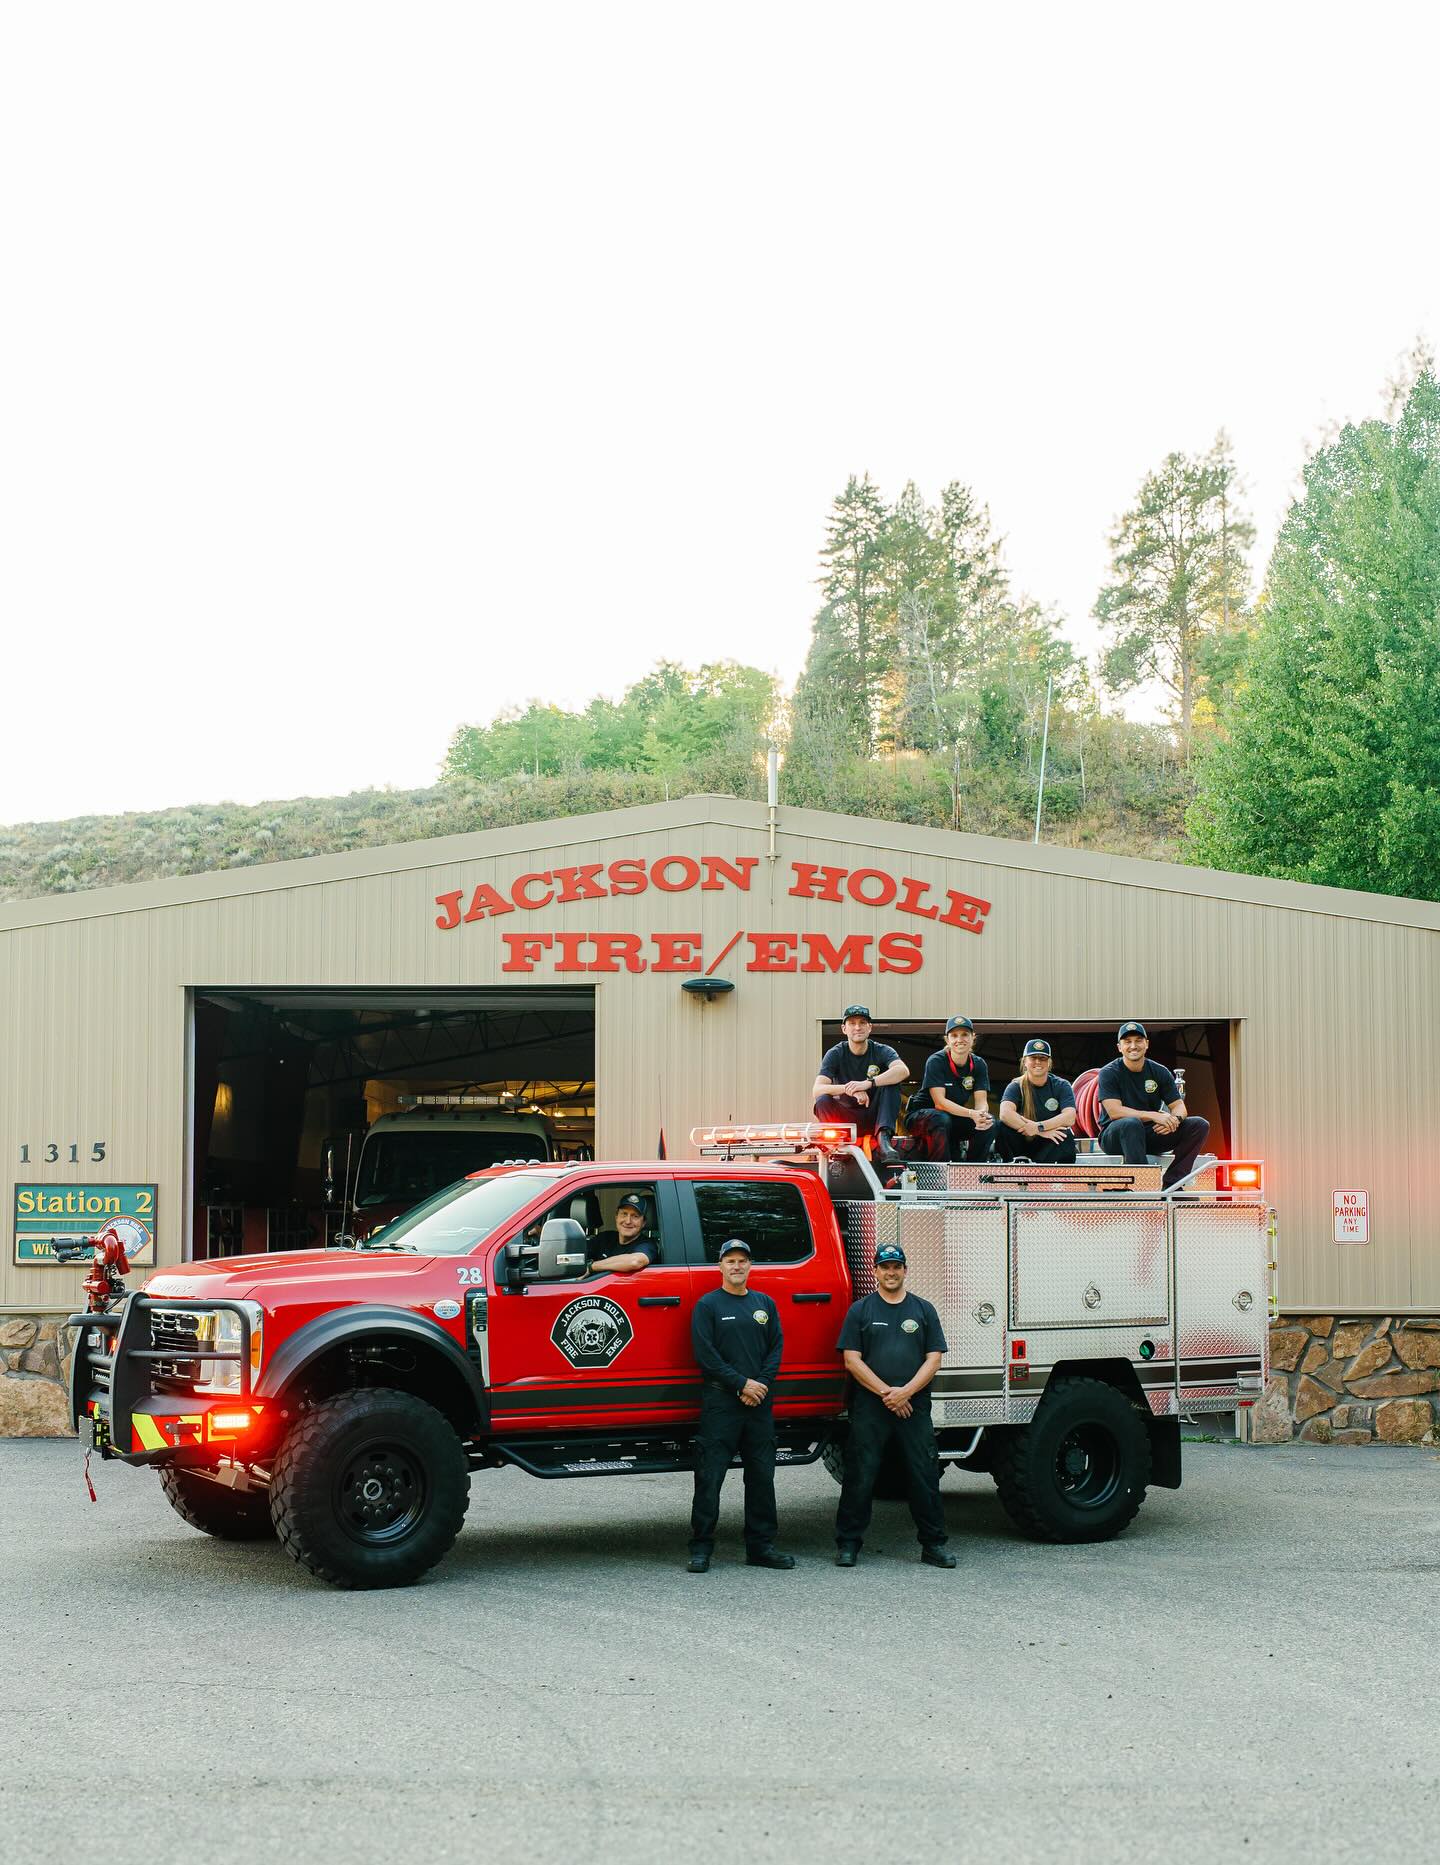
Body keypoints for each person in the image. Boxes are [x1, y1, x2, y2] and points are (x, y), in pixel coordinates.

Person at [834, 1243, 955, 1569]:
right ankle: (848, 1544)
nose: (891, 1272)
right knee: (860, 1475)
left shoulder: (923, 1310)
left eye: (896, 1266)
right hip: (872, 1407)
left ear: (904, 1270)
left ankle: (934, 1545)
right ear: (875, 1271)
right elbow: (851, 1360)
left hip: (913, 1406)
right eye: (885, 1267)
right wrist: (889, 1393)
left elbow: (934, 1359)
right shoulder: (861, 1310)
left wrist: (907, 1393)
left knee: (924, 1475)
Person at [687, 1239, 794, 1572]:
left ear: (750, 1266)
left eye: (742, 1261)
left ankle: (761, 1547)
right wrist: (742, 1384)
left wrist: (758, 1385)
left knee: (761, 1477)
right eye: (730, 1260)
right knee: (710, 1476)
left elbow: (776, 1347)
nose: (736, 1266)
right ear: (720, 1266)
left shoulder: (764, 1304)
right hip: (722, 1402)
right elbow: (706, 1356)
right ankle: (701, 1548)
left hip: (759, 1403)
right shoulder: (708, 1305)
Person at [1097, 1021, 1211, 1190]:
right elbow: (1115, 1111)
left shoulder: (1159, 1071)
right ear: (1119, 1047)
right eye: (1127, 1042)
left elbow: (1179, 1106)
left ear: (1147, 1044)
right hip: (1116, 1136)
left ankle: (1173, 1183)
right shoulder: (1109, 1072)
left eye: (1138, 1040)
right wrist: (1155, 1115)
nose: (1133, 1046)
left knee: (1199, 1124)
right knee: (1131, 1123)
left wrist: (1175, 1120)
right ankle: (1143, 1187)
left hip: (1149, 1134)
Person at [812, 1005, 910, 1160]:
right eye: (852, 1023)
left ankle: (884, 1141)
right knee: (822, 1100)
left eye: (862, 1022)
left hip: (876, 1117)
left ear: (869, 1027)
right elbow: (817, 1090)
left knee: (892, 1083)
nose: (857, 1027)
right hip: (846, 1121)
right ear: (844, 1028)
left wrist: (868, 1083)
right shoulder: (835, 1053)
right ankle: (838, 1146)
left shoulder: (882, 1050)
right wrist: (850, 1088)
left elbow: (903, 1071)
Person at [905, 1015, 995, 1161]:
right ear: (947, 1040)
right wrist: (972, 1113)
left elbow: (981, 1101)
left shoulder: (979, 1064)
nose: (960, 1039)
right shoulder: (936, 1061)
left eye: (965, 1034)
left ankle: (973, 1171)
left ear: (973, 1037)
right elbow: (940, 1103)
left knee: (991, 1123)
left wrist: (981, 1115)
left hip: (951, 1118)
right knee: (940, 1118)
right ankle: (939, 1174)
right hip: (921, 1117)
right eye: (954, 1035)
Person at [996, 1040, 1078, 1164]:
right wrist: (1035, 1130)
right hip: (1022, 1142)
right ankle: (1010, 1166)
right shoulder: (1016, 1085)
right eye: (1033, 1057)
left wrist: (1039, 1127)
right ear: (1024, 1061)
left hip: (1046, 1146)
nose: (1038, 1062)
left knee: (1064, 1135)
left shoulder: (1061, 1085)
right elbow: (1005, 1113)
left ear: (1049, 1062)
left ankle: (1047, 1172)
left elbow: (1070, 1117)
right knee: (1003, 1126)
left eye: (1043, 1058)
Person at [587, 1192, 657, 1272]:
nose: (628, 1221)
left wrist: (591, 1267)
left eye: (635, 1216)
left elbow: (634, 1262)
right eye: (624, 1214)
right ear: (616, 1217)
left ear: (643, 1223)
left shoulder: (648, 1245)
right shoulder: (604, 1238)